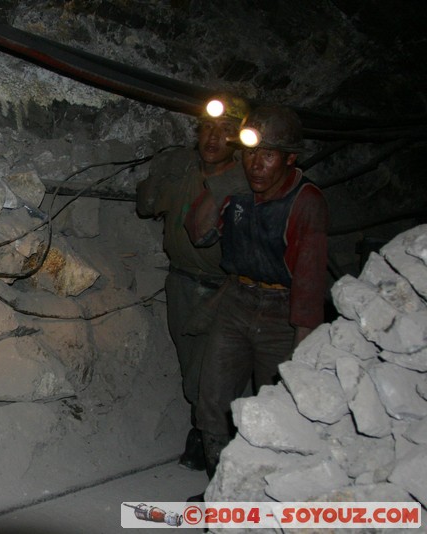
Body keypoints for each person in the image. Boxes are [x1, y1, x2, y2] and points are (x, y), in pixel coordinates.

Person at [184, 104, 329, 479]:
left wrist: (303, 349)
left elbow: (310, 282)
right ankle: (220, 488)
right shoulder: (238, 191)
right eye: (249, 153)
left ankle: (267, 489)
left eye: (267, 155)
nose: (256, 164)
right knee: (212, 398)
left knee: (276, 406)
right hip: (237, 301)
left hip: (283, 312)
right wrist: (225, 183)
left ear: (290, 158)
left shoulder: (305, 200)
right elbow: (198, 232)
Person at [135, 94, 251, 471]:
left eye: (225, 132)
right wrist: (156, 175)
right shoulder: (185, 171)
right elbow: (146, 205)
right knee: (191, 367)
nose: (214, 139)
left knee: (212, 372)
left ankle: (211, 436)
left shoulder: (245, 182)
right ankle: (204, 431)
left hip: (223, 289)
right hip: (181, 284)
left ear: (238, 139)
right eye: (207, 129)